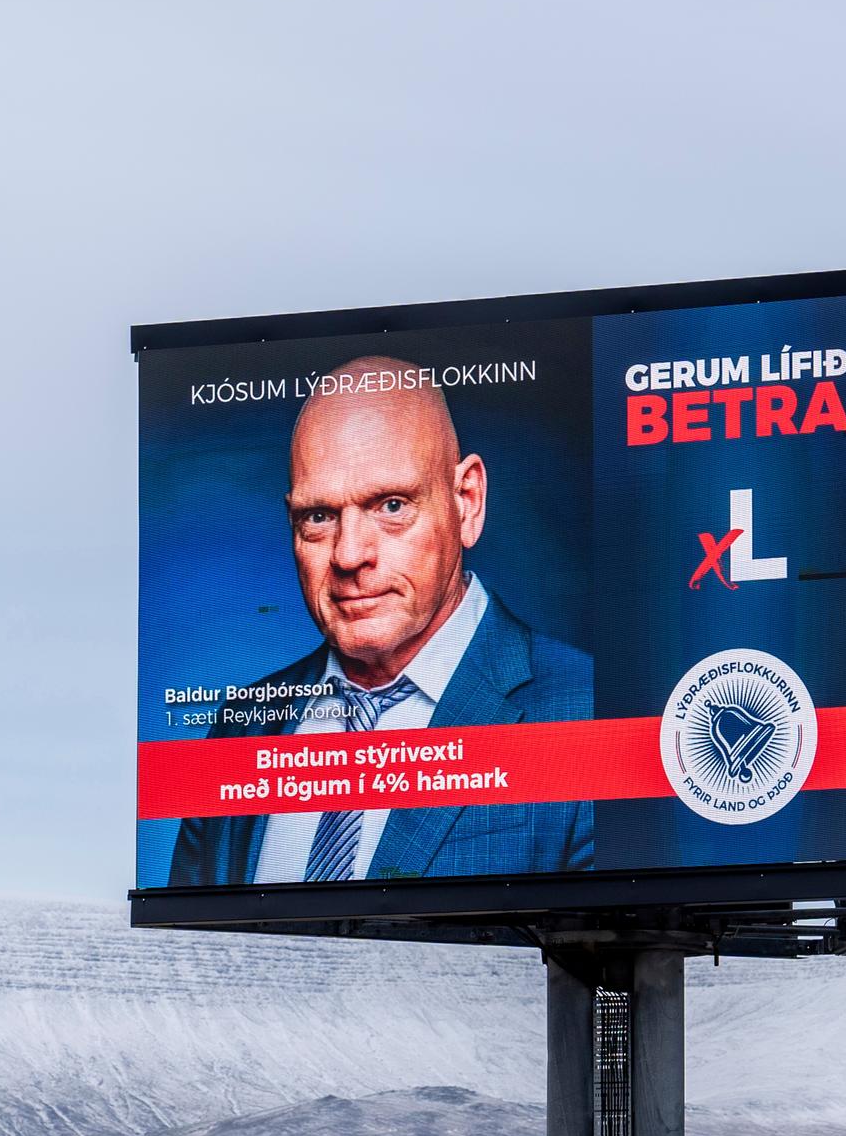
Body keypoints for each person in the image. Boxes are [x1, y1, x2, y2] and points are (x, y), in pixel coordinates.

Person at [166, 359, 596, 887]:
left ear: (467, 503)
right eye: (318, 517)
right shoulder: (239, 730)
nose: (349, 555)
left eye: (391, 506)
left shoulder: (593, 714)